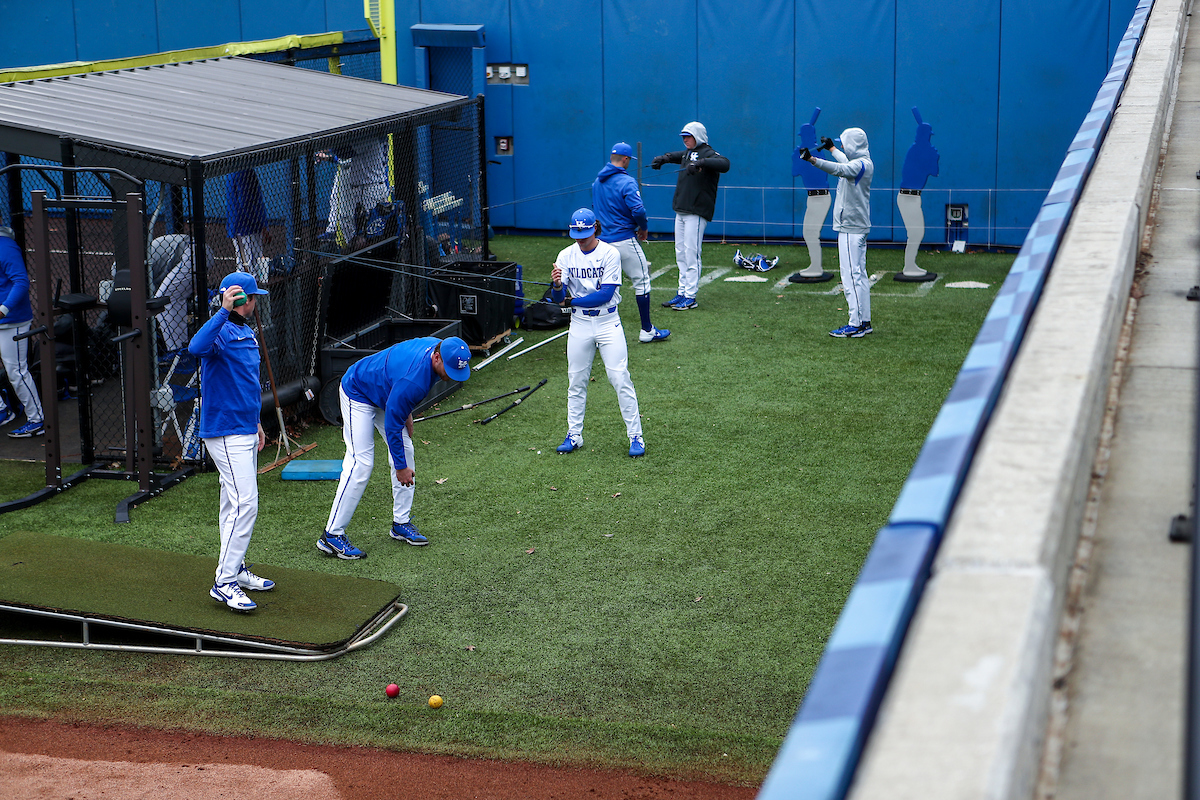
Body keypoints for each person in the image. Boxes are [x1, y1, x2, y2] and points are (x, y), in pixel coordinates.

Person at [319, 335, 472, 559]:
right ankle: (331, 535)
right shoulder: (415, 381)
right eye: (449, 369)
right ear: (437, 357)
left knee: (406, 449)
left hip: (387, 393)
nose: (451, 375)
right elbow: (392, 424)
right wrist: (400, 468)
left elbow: (398, 391)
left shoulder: (438, 347)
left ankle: (401, 522)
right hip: (358, 391)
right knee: (361, 463)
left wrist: (405, 410)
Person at [187, 271, 273, 612]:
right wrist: (222, 310)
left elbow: (247, 384)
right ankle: (223, 582)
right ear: (241, 300)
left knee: (231, 505)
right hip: (225, 432)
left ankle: (234, 570)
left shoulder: (243, 331)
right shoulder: (222, 329)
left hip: (244, 428)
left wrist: (257, 424)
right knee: (245, 503)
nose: (256, 303)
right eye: (253, 298)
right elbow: (196, 347)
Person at [550, 208, 645, 458]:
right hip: (579, 324)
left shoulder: (610, 253)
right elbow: (558, 297)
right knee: (576, 380)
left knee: (619, 378)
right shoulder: (565, 255)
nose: (579, 238)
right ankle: (574, 435)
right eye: (576, 233)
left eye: (583, 232)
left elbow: (604, 295)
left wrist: (570, 301)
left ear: (595, 229)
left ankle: (636, 436)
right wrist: (558, 285)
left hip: (607, 321)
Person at [800, 127, 875, 337]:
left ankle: (856, 323)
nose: (843, 145)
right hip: (853, 227)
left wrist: (813, 160)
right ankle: (863, 322)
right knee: (857, 275)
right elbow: (843, 162)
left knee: (851, 276)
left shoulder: (860, 165)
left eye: (844, 142)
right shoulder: (861, 163)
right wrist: (831, 148)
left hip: (851, 228)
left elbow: (839, 169)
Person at [592, 142, 669, 343]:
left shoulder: (597, 182)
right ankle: (647, 330)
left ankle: (600, 333)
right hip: (624, 239)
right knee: (642, 280)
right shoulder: (627, 182)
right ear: (625, 159)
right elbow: (639, 210)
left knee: (605, 287)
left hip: (601, 242)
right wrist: (643, 227)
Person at [650, 122, 729, 311]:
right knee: (681, 253)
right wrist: (664, 158)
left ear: (698, 136)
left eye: (688, 136)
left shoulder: (708, 153)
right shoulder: (688, 152)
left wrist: (700, 163)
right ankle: (682, 292)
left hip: (696, 211)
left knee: (691, 253)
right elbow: (678, 155)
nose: (685, 139)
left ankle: (690, 296)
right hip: (682, 210)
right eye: (683, 136)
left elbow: (725, 164)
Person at [0, 223, 45, 438]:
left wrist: (3, 309)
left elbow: (21, 281)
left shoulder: (6, 247)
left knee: (16, 372)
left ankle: (37, 420)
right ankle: (2, 410)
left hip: (12, 320)